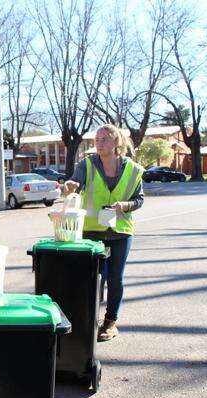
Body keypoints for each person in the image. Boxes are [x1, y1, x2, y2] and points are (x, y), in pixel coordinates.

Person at [63, 124, 144, 342]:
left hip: (120, 232)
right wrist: (70, 186)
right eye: (97, 140)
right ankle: (88, 319)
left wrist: (125, 205)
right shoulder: (87, 164)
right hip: (92, 231)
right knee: (95, 278)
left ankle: (110, 322)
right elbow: (75, 183)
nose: (99, 143)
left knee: (115, 278)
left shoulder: (132, 169)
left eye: (104, 139)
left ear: (116, 142)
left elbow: (139, 199)